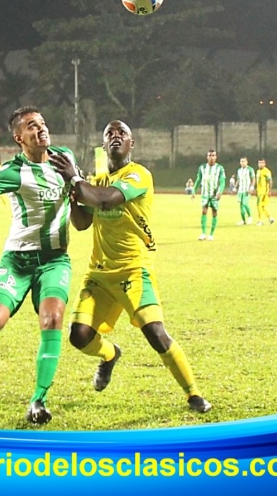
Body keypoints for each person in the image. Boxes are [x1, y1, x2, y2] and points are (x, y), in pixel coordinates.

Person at [49, 119, 212, 414]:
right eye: (109, 133)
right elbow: (83, 223)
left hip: (134, 270)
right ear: (103, 145)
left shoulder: (139, 175)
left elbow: (108, 200)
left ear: (131, 144)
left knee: (156, 333)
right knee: (79, 336)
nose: (115, 136)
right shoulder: (94, 181)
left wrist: (75, 180)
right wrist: (73, 195)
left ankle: (193, 394)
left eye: (121, 133)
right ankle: (110, 355)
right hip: (99, 274)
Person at [0, 105, 77, 425]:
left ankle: (39, 399)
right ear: (19, 137)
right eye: (33, 126)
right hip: (18, 261)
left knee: (52, 319)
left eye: (43, 123)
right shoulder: (13, 170)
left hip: (54, 260)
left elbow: (79, 191)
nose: (41, 129)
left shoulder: (65, 158)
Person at [192, 150, 226, 240]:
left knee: (214, 212)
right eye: (210, 155)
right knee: (204, 211)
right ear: (207, 157)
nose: (211, 157)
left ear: (216, 157)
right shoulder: (202, 167)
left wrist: (220, 192)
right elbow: (198, 179)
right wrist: (193, 191)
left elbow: (222, 181)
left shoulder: (220, 168)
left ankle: (211, 234)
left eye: (213, 155)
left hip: (214, 194)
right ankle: (203, 233)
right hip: (205, 193)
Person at [234, 156, 255, 225]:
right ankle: (243, 220)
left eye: (244, 161)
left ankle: (250, 217)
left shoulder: (250, 169)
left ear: (247, 162)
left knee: (245, 203)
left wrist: (251, 188)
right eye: (241, 161)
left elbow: (253, 179)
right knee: (241, 205)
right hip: (240, 190)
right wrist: (235, 187)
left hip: (247, 190)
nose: (242, 163)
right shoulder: (239, 170)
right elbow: (238, 179)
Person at [255, 159, 274, 225]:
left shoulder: (266, 171)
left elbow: (270, 181)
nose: (260, 164)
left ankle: (260, 221)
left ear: (264, 164)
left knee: (258, 205)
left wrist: (269, 191)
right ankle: (270, 218)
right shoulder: (258, 171)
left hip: (263, 191)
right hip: (259, 191)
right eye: (259, 163)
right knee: (262, 206)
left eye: (262, 163)